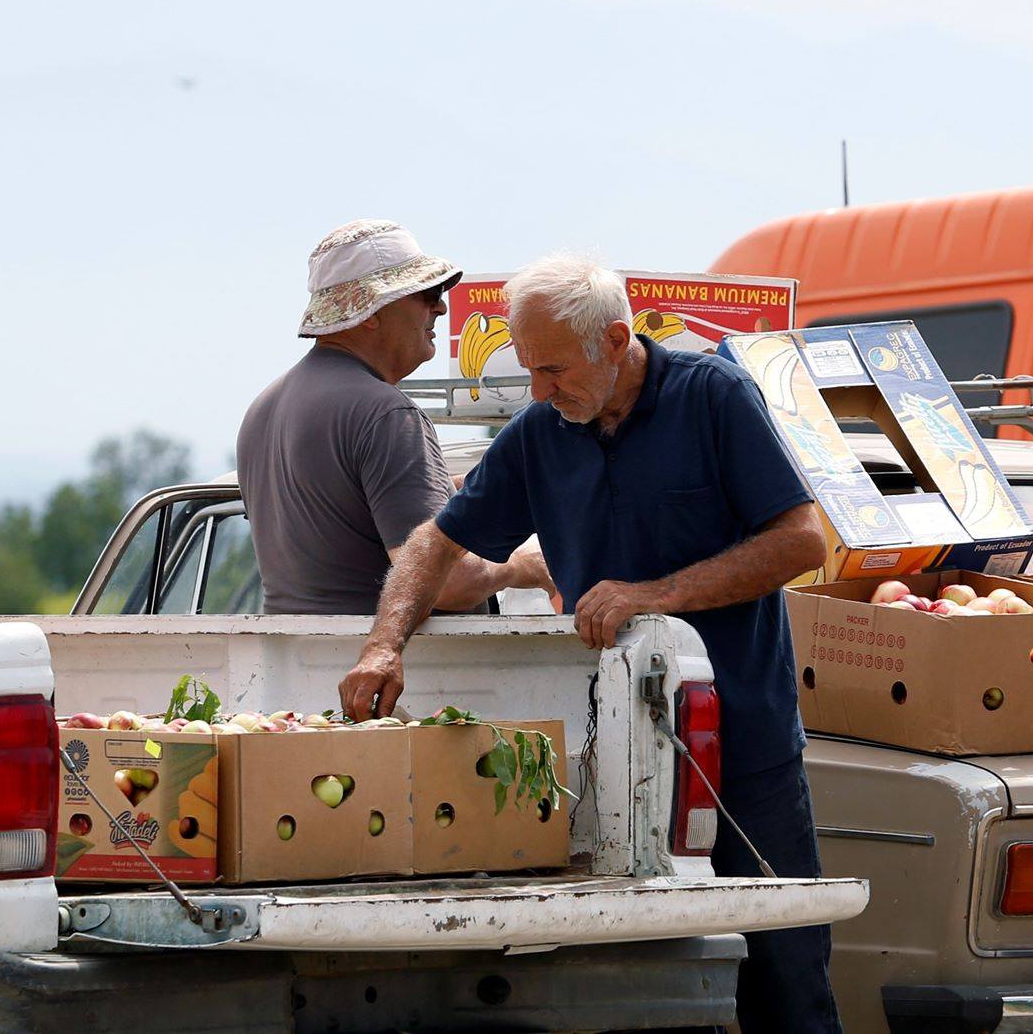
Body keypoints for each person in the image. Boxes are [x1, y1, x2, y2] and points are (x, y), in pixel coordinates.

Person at [336, 254, 840, 1032]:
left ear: (614, 339)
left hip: (746, 750)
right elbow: (434, 544)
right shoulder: (541, 433)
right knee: (643, 992)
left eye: (554, 369)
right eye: (530, 370)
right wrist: (383, 644)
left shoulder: (713, 397)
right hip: (615, 764)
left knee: (786, 979)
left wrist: (656, 595)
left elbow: (803, 542)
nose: (540, 391)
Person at [237, 219, 549, 615]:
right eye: (427, 293)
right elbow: (444, 583)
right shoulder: (386, 413)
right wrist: (523, 566)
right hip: (389, 654)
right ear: (371, 310)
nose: (441, 307)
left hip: (297, 652)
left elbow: (347, 514)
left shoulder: (263, 409)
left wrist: (466, 486)